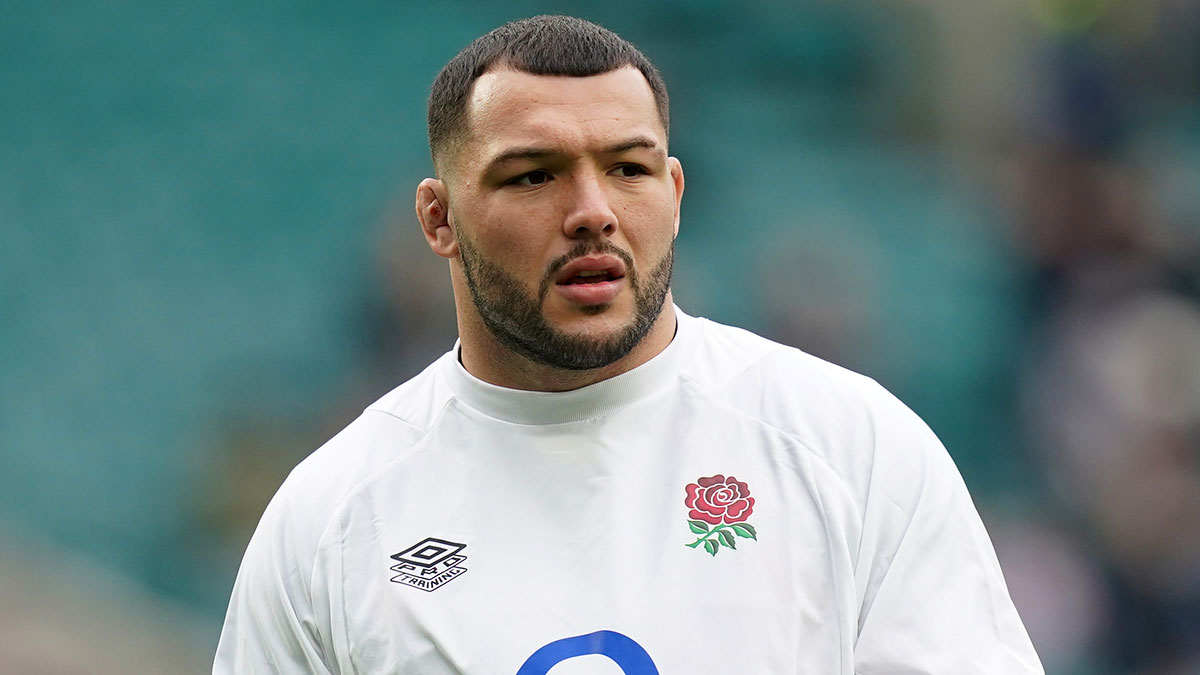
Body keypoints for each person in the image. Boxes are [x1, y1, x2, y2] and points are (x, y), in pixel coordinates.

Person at [215, 15, 1043, 674]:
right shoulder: (331, 520)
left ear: (675, 194)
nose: (592, 211)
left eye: (628, 169)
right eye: (534, 174)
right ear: (439, 218)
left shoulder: (853, 451)